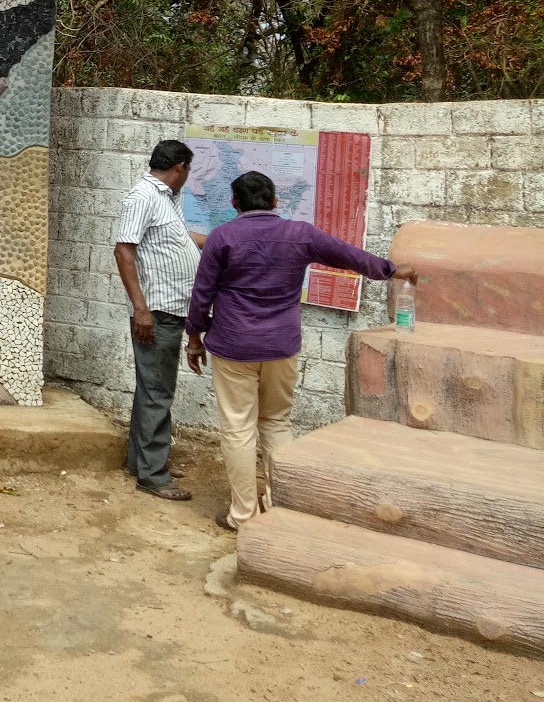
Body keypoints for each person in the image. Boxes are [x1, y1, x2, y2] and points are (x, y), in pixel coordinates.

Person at [186, 170, 413, 531]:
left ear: (234, 203)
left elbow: (202, 295)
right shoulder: (300, 234)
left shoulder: (221, 237)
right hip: (281, 345)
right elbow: (350, 256)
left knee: (238, 428)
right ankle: (279, 508)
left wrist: (194, 338)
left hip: (232, 346)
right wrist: (392, 270)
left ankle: (242, 516)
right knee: (276, 422)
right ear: (276, 202)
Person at [114, 139, 206, 502]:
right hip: (156, 312)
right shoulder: (143, 197)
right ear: (181, 167)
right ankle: (154, 475)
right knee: (158, 393)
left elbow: (178, 241)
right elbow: (124, 249)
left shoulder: (166, 198)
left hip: (169, 309)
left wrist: (220, 241)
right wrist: (141, 308)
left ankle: (143, 461)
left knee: (151, 388)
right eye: (189, 171)